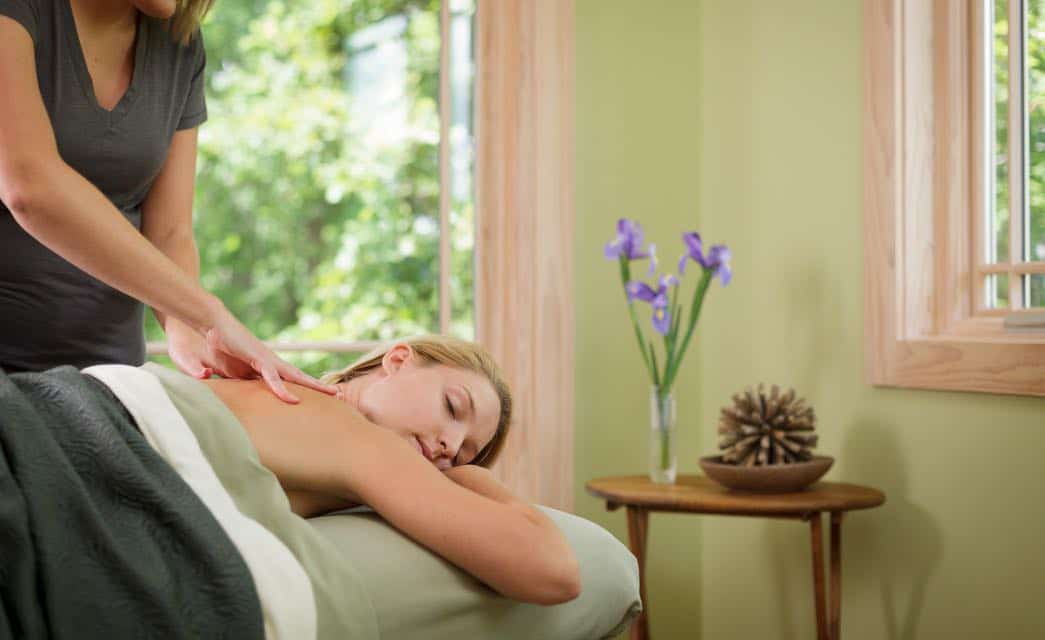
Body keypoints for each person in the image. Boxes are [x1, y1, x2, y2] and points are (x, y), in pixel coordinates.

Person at [0, 0, 332, 403]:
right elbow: (29, 185)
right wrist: (209, 317)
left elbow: (170, 230)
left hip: (108, 382)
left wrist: (187, 328)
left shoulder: (181, 45)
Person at [198, 334, 582, 605]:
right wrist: (471, 477)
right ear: (397, 361)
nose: (449, 445)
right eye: (452, 406)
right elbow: (554, 572)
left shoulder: (313, 423)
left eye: (464, 454)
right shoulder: (344, 429)